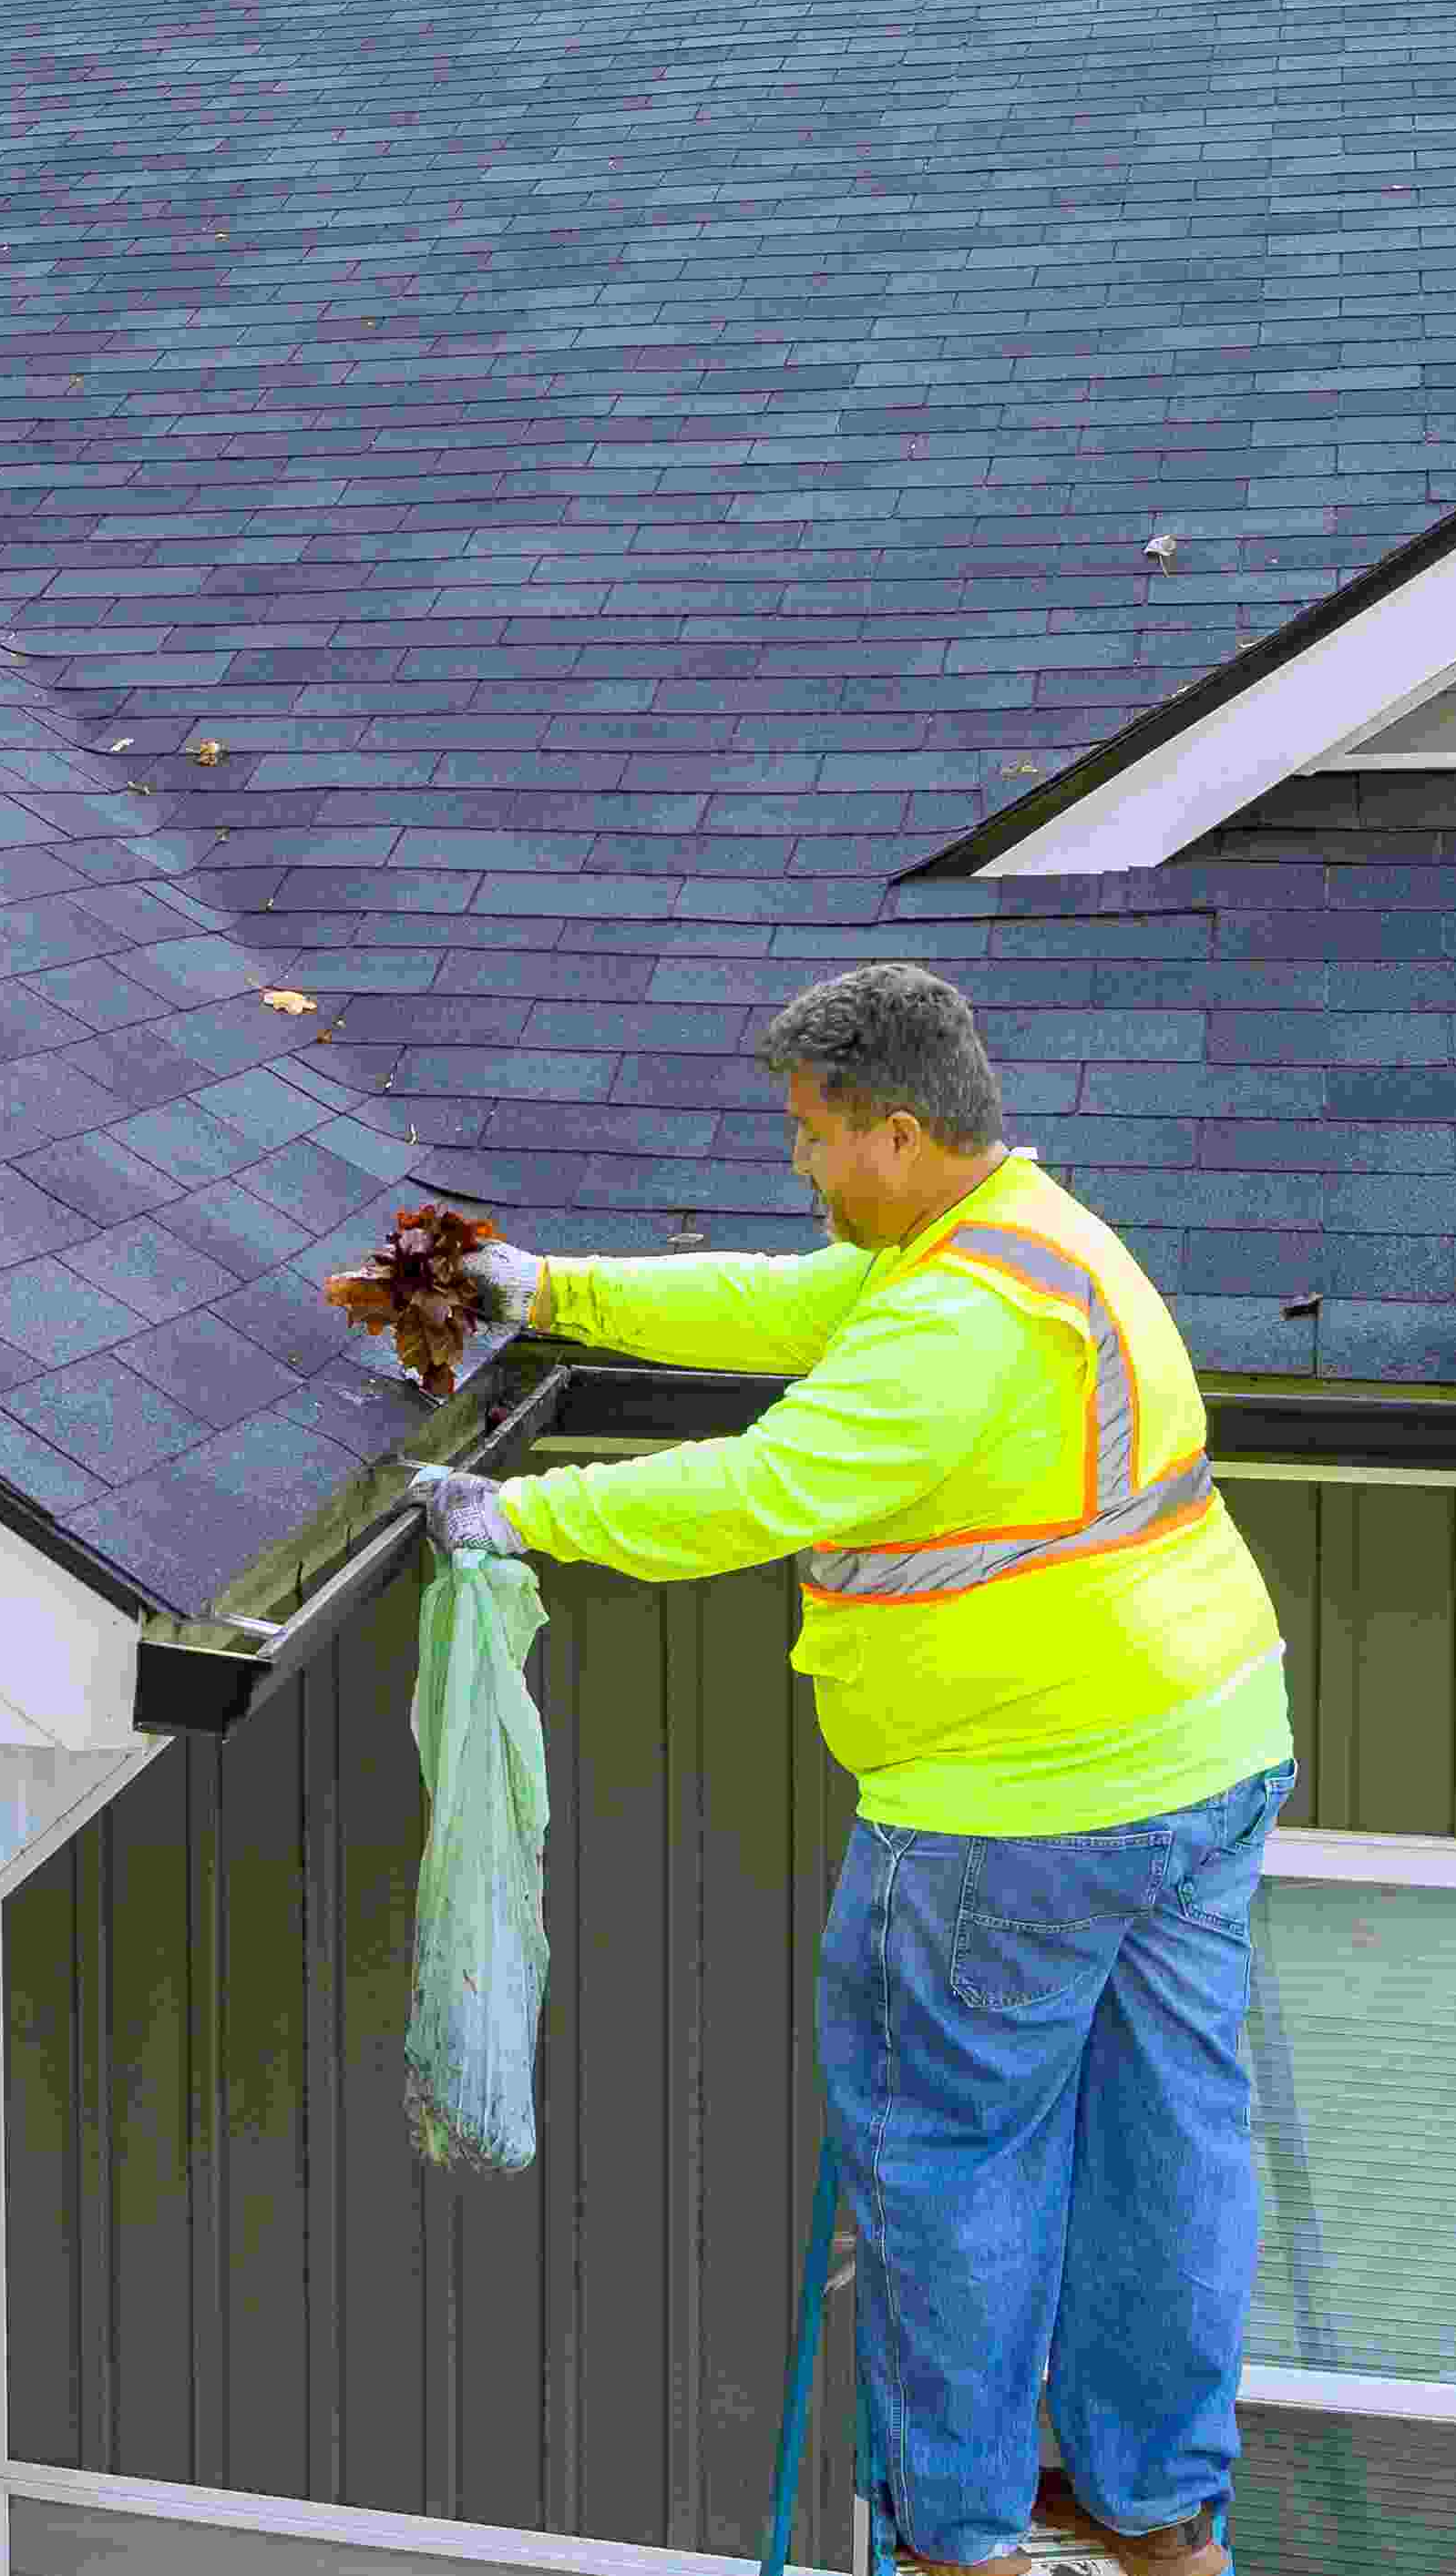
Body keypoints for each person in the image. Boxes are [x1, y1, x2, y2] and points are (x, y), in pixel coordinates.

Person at [400, 962, 1293, 2576]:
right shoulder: (1022, 1237)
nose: (800, 1167)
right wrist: (553, 1291)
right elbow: (782, 1306)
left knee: (955, 2164)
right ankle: (1159, 2513)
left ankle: (956, 2539)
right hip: (1205, 1754)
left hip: (1015, 1816)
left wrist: (517, 1517)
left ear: (895, 1130)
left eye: (814, 1139)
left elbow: (763, 1489)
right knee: (1171, 2140)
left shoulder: (953, 1325)